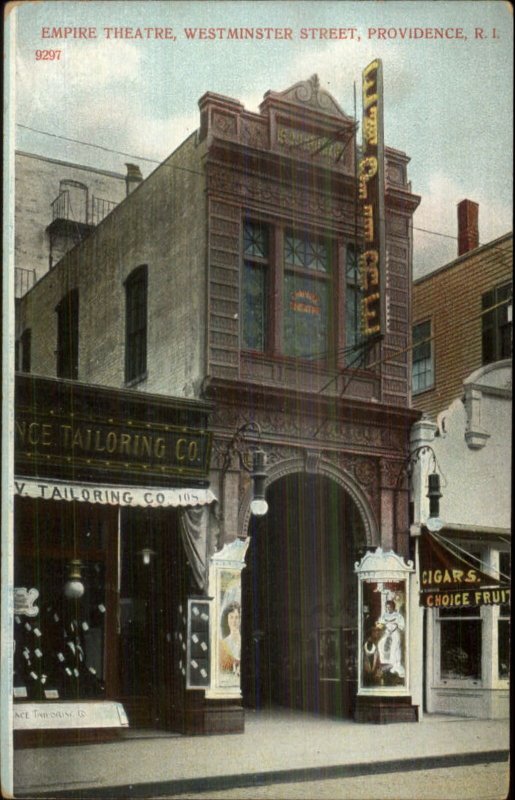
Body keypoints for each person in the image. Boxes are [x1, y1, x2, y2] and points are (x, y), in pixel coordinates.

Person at [376, 599, 405, 678]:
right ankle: (385, 662)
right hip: (387, 633)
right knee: (380, 644)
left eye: (390, 607)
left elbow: (402, 626)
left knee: (394, 648)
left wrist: (395, 628)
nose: (388, 609)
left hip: (395, 633)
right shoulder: (384, 615)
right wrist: (379, 625)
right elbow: (380, 624)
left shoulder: (398, 616)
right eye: (387, 607)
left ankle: (394, 666)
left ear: (393, 607)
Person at [219, 601, 241, 675]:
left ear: (240, 620)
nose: (234, 621)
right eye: (231, 617)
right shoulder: (223, 644)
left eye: (237, 617)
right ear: (227, 619)